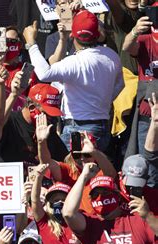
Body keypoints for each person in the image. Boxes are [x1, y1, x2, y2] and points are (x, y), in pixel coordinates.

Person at [23, 9, 124, 152]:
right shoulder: (112, 56)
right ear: (97, 34)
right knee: (96, 172)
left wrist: (31, 44)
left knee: (74, 173)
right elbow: (120, 85)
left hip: (77, 128)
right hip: (102, 125)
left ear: (72, 34)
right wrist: (102, 101)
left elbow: (44, 73)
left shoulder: (74, 62)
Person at [122, 11, 158, 187]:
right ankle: (151, 198)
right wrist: (135, 30)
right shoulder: (145, 39)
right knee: (147, 159)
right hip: (147, 112)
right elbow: (127, 47)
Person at [31, 164, 81, 244]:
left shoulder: (79, 222)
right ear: (49, 203)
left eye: (63, 199)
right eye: (55, 199)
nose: (59, 202)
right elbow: (35, 201)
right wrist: (38, 177)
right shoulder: (44, 221)